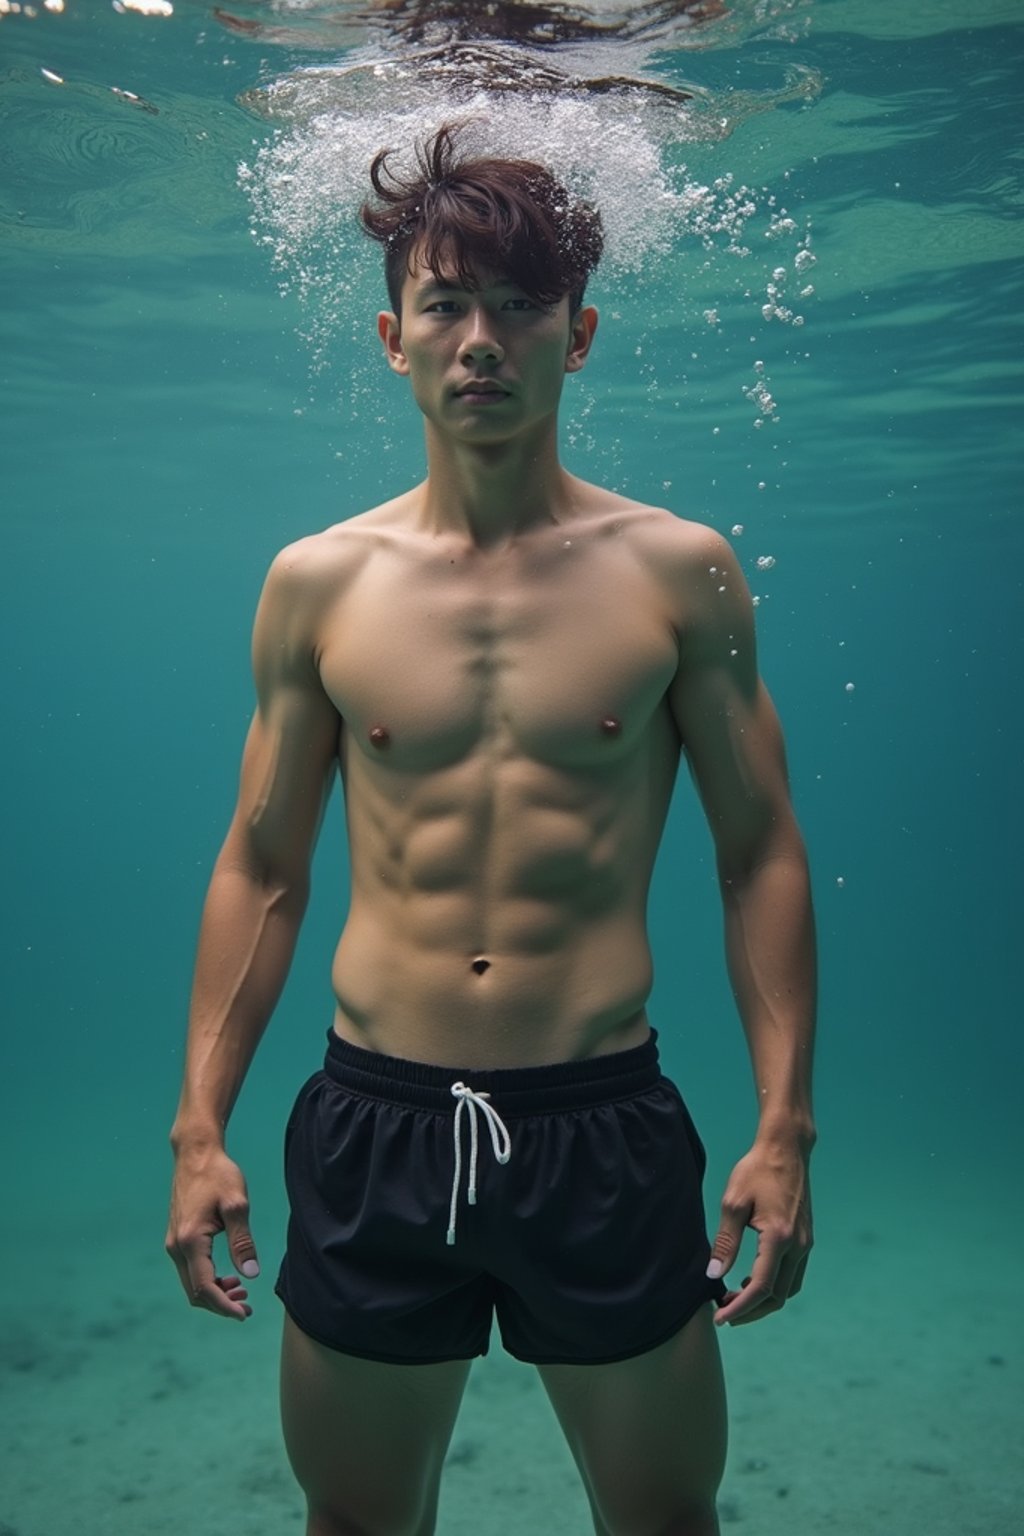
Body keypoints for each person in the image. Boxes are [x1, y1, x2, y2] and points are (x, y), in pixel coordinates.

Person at [166, 123, 816, 1536]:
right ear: (391, 332)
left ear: (577, 336)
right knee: (355, 1523)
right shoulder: (319, 585)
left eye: (519, 306)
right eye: (448, 303)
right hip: (374, 1127)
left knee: (664, 1521)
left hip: (599, 1126)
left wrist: (786, 1124)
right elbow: (262, 866)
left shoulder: (677, 571)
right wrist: (197, 1127)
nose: (481, 340)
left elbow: (757, 847)